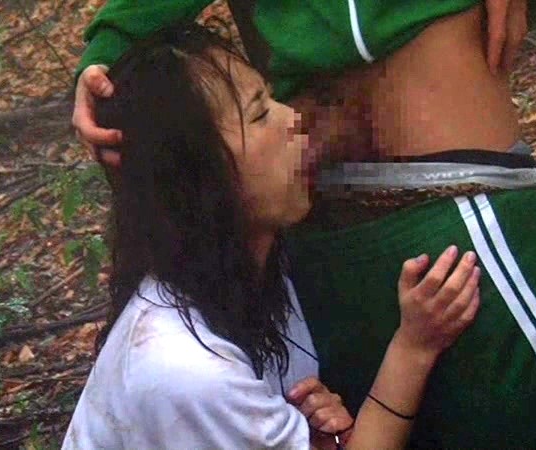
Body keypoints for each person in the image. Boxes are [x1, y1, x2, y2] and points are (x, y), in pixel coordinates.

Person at [71, 1, 536, 448]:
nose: (290, 120)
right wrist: (109, 53)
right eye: (261, 110)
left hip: (451, 207)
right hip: (309, 238)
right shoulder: (191, 360)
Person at [61, 24, 482, 450]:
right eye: (260, 114)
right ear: (197, 175)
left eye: (271, 99)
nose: (292, 119)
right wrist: (414, 348)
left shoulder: (250, 273)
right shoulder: (187, 370)